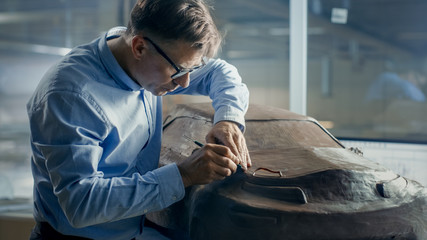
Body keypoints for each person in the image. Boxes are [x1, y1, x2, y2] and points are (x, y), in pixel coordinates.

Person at [27, 0, 251, 239]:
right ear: (139, 47)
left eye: (192, 71)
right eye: (179, 71)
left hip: (136, 230)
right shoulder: (72, 97)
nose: (185, 83)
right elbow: (81, 203)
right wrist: (183, 175)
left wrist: (227, 120)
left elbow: (220, 72)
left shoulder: (145, 64)